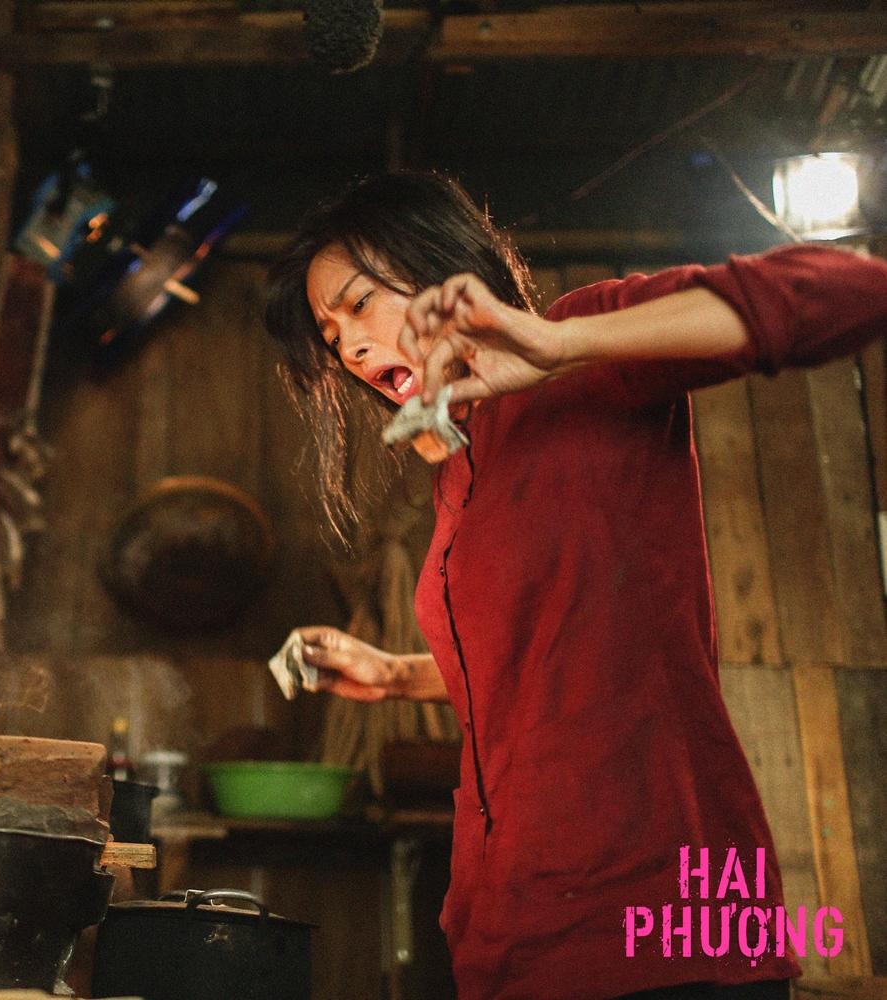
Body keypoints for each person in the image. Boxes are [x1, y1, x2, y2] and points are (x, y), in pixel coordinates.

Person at [263, 170, 887, 1000]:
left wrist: (562, 347)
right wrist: (395, 674)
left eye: (360, 302)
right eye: (332, 333)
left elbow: (852, 292)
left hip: (667, 914)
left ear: (441, 266)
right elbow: (547, 661)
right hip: (512, 931)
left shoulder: (579, 346)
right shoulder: (457, 472)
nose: (348, 346)